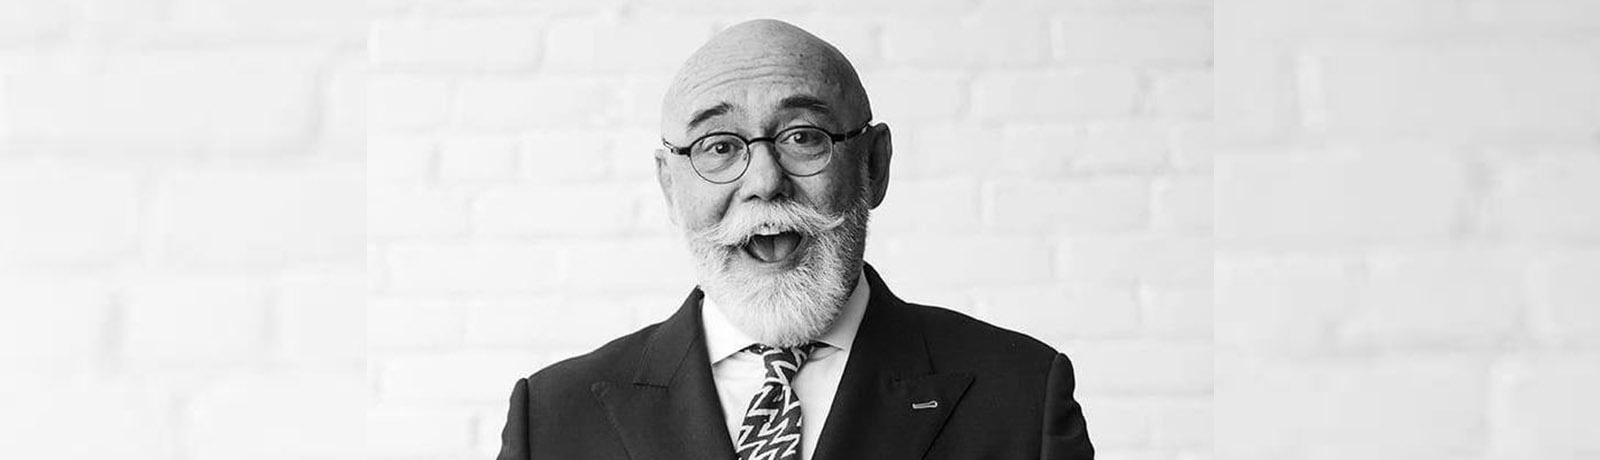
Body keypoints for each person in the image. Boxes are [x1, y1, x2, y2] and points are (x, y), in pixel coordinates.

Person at [495, 19, 1093, 460]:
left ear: (875, 165)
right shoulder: (551, 418)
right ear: (671, 187)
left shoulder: (1021, 396)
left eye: (804, 137)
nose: (764, 182)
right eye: (719, 146)